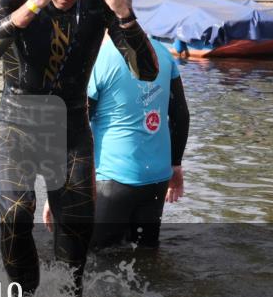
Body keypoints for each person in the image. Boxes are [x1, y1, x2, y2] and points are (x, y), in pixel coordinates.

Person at [0, 0, 158, 297]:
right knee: (17, 214)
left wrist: (124, 13)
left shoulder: (98, 2)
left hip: (70, 131)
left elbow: (147, 72)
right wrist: (34, 3)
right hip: (15, 124)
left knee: (75, 246)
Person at [43, 37, 189, 249]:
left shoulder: (100, 59)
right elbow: (181, 115)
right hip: (156, 181)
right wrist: (175, 166)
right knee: (145, 258)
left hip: (114, 180)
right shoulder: (163, 53)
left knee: (92, 259)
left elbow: (77, 127)